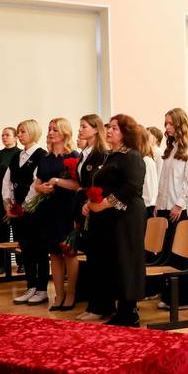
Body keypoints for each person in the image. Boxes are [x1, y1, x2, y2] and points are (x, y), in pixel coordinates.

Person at [85, 114, 148, 327]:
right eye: (109, 127)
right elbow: (104, 185)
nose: (109, 131)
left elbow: (132, 188)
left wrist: (104, 204)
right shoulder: (111, 155)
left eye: (115, 128)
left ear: (125, 133)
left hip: (128, 215)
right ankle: (120, 310)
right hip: (111, 216)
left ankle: (129, 312)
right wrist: (91, 202)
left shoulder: (132, 156)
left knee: (126, 260)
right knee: (114, 260)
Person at [33, 118, 80, 310]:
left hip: (67, 209)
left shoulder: (73, 155)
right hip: (48, 209)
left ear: (65, 133)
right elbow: (37, 183)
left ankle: (72, 294)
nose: (51, 132)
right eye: (49, 129)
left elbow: (77, 185)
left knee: (69, 252)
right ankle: (59, 294)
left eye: (55, 130)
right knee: (53, 253)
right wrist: (41, 188)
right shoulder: (45, 158)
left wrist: (57, 182)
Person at [73, 114, 111, 322]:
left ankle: (101, 305)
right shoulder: (85, 153)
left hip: (96, 208)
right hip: (84, 205)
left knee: (98, 259)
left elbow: (101, 184)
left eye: (84, 126)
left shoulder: (101, 153)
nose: (80, 130)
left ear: (96, 129)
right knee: (91, 258)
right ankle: (93, 304)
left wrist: (91, 201)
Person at [4, 119, 47, 305]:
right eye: (18, 132)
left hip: (34, 210)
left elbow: (36, 184)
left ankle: (42, 289)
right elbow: (7, 181)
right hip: (18, 211)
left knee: (39, 250)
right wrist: (9, 203)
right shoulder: (16, 156)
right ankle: (31, 286)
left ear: (33, 132)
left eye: (22, 132)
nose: (19, 135)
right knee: (26, 249)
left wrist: (25, 205)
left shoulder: (41, 155)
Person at [153, 108, 188, 277]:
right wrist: (158, 203)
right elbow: (163, 180)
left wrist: (179, 204)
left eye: (171, 123)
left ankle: (183, 291)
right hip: (165, 204)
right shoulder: (170, 147)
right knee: (167, 252)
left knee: (180, 253)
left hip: (178, 207)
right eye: (166, 124)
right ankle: (169, 290)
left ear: (180, 124)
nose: (167, 127)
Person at [0, 126, 18, 275]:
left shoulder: (20, 154)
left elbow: (16, 174)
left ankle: (22, 263)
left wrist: (0, 167)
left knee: (19, 230)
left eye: (7, 135)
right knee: (0, 230)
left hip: (16, 195)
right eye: (2, 135)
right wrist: (3, 169)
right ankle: (2, 265)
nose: (4, 137)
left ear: (15, 137)